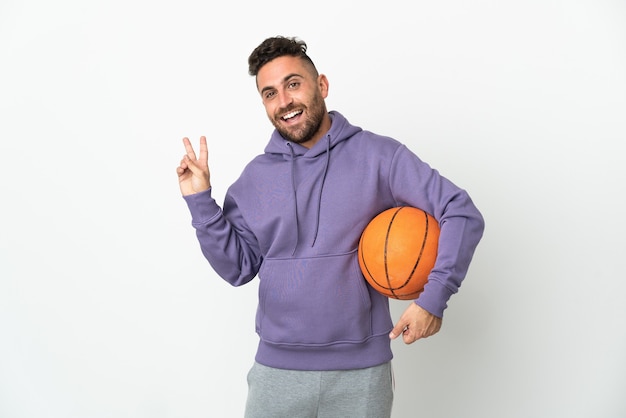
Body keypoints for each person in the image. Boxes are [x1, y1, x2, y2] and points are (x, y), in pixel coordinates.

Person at [176, 36, 485, 418]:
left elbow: (460, 210)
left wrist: (433, 298)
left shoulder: (378, 156)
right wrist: (200, 200)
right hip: (277, 371)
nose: (284, 101)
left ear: (321, 85)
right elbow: (238, 268)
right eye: (270, 93)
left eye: (293, 84)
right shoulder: (255, 178)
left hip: (361, 374)